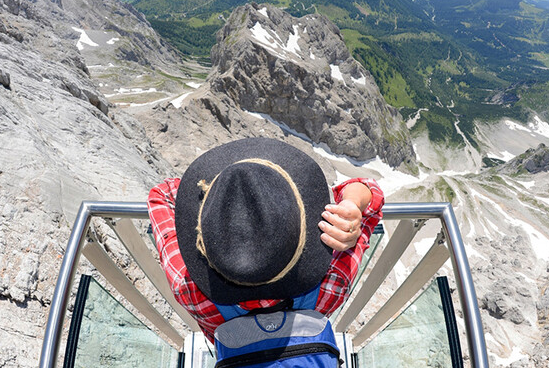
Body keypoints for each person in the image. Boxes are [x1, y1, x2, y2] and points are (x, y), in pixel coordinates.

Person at [147, 138, 384, 342]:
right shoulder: (332, 283)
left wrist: (217, 201)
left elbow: (163, 194)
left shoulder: (190, 289)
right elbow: (371, 192)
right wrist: (351, 206)